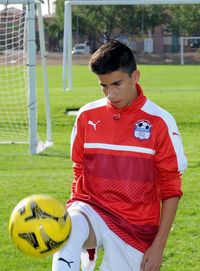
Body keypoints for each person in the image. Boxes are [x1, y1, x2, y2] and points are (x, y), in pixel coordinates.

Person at [52, 40, 187, 271]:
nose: (110, 94)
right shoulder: (86, 116)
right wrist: (75, 206)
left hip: (135, 226)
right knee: (67, 229)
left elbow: (171, 188)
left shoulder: (160, 121)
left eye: (117, 84)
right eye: (103, 86)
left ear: (135, 76)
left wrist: (159, 246)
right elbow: (79, 169)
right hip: (91, 208)